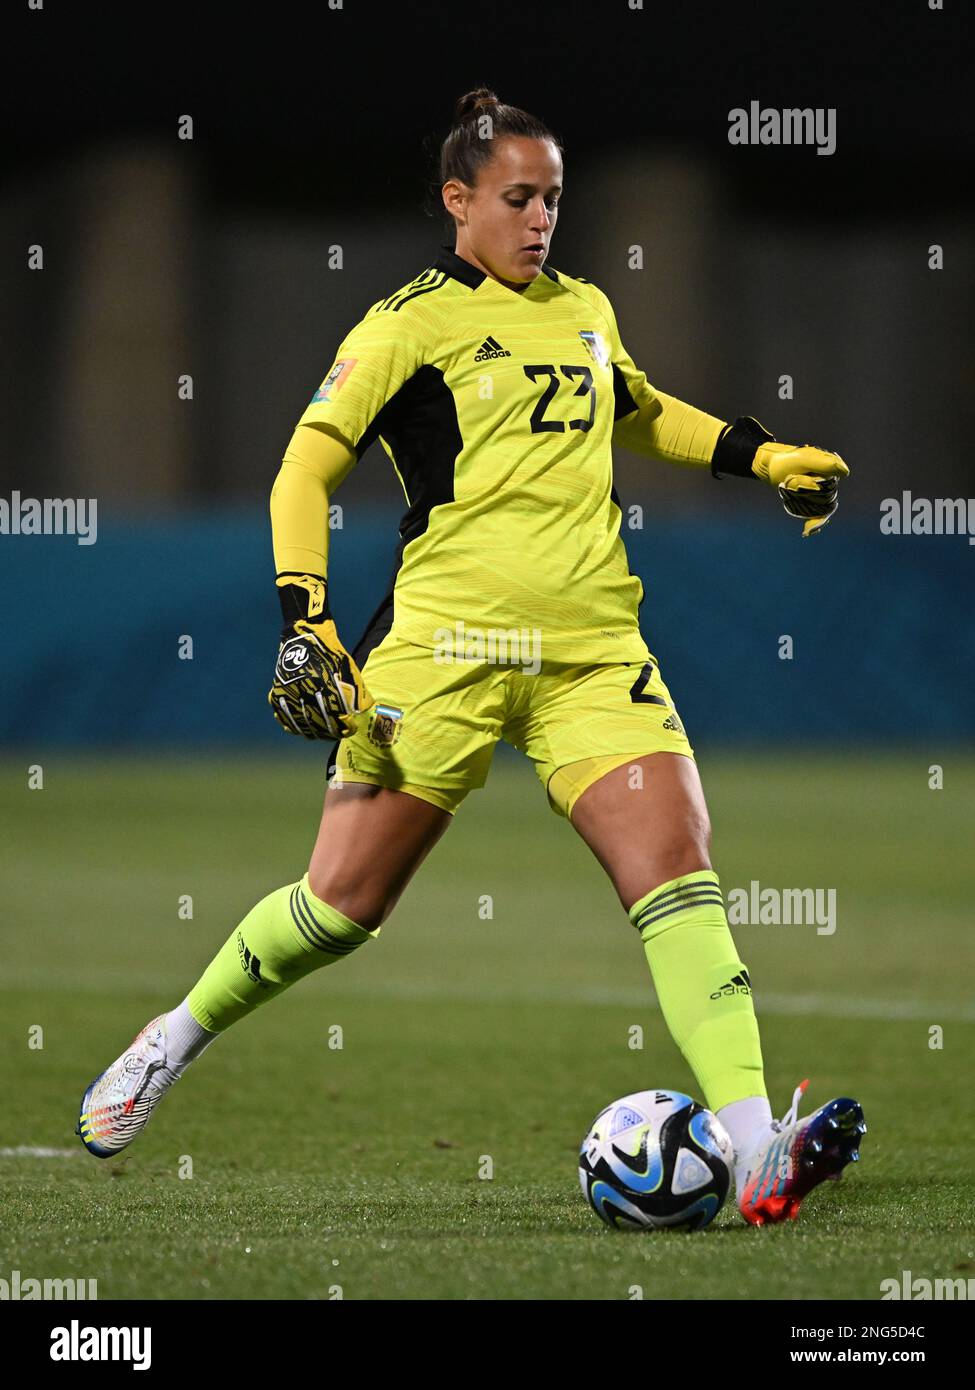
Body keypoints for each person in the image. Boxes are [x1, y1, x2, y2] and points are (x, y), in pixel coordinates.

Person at [77, 88, 864, 1226]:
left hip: (594, 650)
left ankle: (756, 1156)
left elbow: (636, 411)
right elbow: (303, 471)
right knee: (342, 904)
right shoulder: (406, 324)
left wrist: (765, 453)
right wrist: (307, 618)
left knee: (680, 875)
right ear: (459, 201)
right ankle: (172, 1037)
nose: (541, 217)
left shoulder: (585, 307)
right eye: (517, 197)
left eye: (553, 197)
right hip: (440, 652)